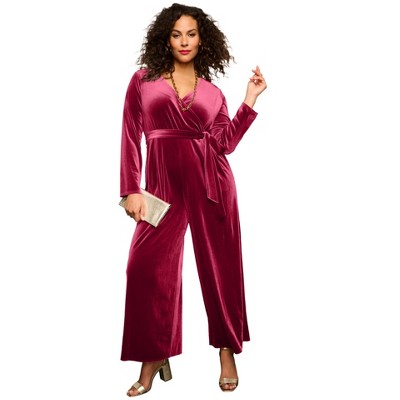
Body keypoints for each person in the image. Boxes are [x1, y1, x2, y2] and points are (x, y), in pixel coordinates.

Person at [119, 3, 267, 396]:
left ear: (202, 40)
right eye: (176, 34)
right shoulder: (143, 80)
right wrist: (131, 188)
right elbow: (130, 133)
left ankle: (226, 350)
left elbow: (224, 143)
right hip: (161, 188)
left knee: (222, 271)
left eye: (191, 34)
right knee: (144, 269)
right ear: (165, 39)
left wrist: (249, 100)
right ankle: (154, 354)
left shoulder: (213, 93)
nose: (184, 41)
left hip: (211, 183)